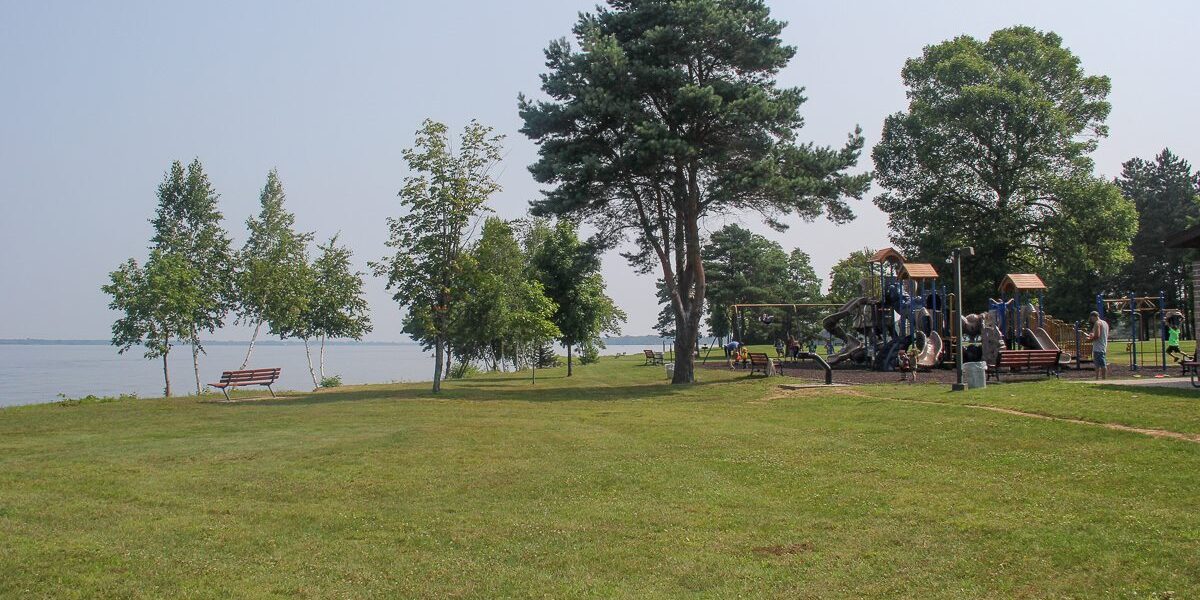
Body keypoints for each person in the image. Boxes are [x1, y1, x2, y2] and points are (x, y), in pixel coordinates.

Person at [1084, 311, 1109, 380]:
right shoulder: (1105, 323)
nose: (1091, 320)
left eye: (1091, 318)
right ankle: (1097, 378)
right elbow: (1101, 334)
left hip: (1098, 347)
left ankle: (1103, 378)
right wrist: (1091, 335)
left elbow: (1097, 336)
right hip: (1103, 345)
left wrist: (1089, 340)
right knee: (1098, 364)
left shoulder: (1097, 323)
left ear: (1093, 316)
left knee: (1101, 363)